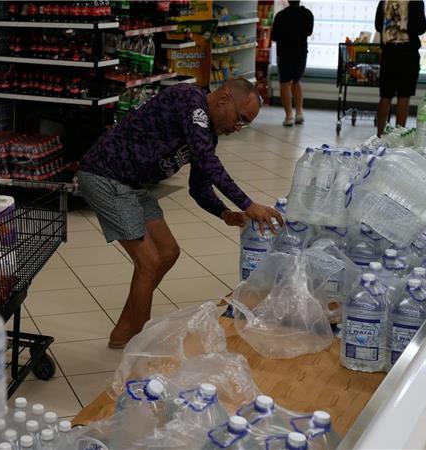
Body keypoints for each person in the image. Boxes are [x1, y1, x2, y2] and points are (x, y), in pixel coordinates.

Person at [78, 78, 284, 348]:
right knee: (148, 262)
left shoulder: (207, 132)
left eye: (244, 124)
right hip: (105, 176)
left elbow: (198, 187)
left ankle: (125, 329)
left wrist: (224, 212)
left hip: (131, 183)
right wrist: (247, 203)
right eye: (240, 118)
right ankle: (139, 343)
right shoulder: (190, 100)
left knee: (168, 252)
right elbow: (206, 159)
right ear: (223, 99)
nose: (238, 127)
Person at [374, 0, 426, 137]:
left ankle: (380, 134)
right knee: (404, 96)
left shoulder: (384, 2)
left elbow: (378, 26)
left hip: (389, 53)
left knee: (385, 96)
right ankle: (398, 135)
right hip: (408, 54)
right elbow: (420, 28)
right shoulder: (415, 2)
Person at [271, 0, 314, 127]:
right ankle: (299, 113)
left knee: (285, 83)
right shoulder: (307, 14)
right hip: (300, 52)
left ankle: (289, 116)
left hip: (284, 53)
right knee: (296, 80)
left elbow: (274, 36)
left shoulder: (281, 15)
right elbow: (309, 31)